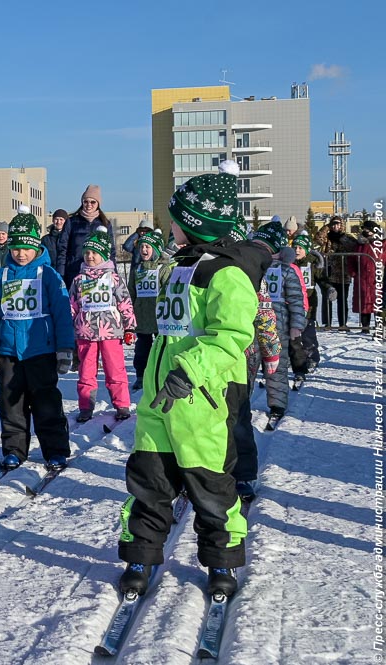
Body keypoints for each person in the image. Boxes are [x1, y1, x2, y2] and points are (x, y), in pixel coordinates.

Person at [117, 160, 266, 600]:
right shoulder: (180, 265)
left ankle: (222, 563)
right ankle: (141, 554)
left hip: (203, 400)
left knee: (211, 488)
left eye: (177, 221)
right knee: (149, 482)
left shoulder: (227, 274)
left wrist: (190, 372)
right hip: (160, 398)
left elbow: (232, 337)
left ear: (196, 225)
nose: (170, 229)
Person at [0, 210, 74, 471]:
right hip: (9, 352)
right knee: (11, 405)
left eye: (26, 248)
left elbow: (62, 313)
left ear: (36, 247)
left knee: (46, 404)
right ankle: (14, 449)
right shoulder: (2, 276)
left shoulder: (49, 276)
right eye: (16, 248)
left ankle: (55, 450)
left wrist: (65, 348)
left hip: (40, 351)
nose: (20, 254)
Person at [226, 217, 280, 503]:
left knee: (238, 415)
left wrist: (271, 352)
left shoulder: (250, 274)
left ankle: (243, 472)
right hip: (205, 354)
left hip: (242, 356)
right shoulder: (205, 267)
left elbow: (265, 315)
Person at [68, 226, 136, 422]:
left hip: (111, 332)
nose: (90, 256)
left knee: (115, 369)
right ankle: (86, 406)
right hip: (85, 332)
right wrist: (68, 325)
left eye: (95, 253)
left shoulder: (113, 279)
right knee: (86, 372)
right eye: (87, 252)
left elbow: (125, 302)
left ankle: (122, 405)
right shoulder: (79, 280)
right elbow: (72, 305)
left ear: (104, 255)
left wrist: (129, 326)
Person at [253, 221, 306, 425]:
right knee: (248, 366)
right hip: (253, 326)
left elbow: (296, 300)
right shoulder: (252, 268)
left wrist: (296, 326)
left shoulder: (286, 271)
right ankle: (241, 403)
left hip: (279, 327)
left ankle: (277, 404)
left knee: (276, 367)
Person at [127, 229, 169, 391]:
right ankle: (140, 375)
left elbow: (168, 290)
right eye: (142, 247)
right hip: (142, 316)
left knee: (161, 348)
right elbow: (131, 291)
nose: (144, 250)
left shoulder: (163, 269)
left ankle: (161, 374)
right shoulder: (137, 269)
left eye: (148, 247)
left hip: (160, 318)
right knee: (142, 349)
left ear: (156, 249)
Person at [57, 185, 116, 288]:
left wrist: (113, 272)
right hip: (74, 272)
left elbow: (111, 252)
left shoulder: (105, 224)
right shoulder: (71, 222)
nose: (89, 205)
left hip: (99, 275)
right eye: (86, 201)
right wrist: (61, 275)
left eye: (93, 202)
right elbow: (62, 250)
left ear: (98, 204)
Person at [315, 215, 359, 329]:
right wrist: (326, 227)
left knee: (342, 300)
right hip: (329, 274)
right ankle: (327, 323)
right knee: (327, 298)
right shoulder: (327, 238)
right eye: (333, 224)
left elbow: (353, 245)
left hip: (343, 274)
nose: (335, 226)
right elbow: (317, 238)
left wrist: (341, 236)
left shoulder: (347, 237)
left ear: (342, 225)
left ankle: (342, 323)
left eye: (338, 224)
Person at [291, 232, 322, 372]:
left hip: (309, 304)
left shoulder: (312, 263)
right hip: (292, 303)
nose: (297, 250)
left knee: (308, 334)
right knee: (292, 334)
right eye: (295, 247)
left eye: (300, 248)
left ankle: (312, 357)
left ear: (307, 249)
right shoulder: (289, 263)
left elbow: (322, 279)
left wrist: (329, 289)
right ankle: (294, 358)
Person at [351, 220, 383, 334]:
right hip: (362, 278)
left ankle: (380, 327)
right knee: (364, 303)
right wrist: (354, 272)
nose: (365, 231)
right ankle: (365, 327)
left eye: (367, 229)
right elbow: (352, 259)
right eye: (364, 229)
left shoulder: (381, 243)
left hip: (377, 278)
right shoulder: (359, 245)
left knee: (378, 303)